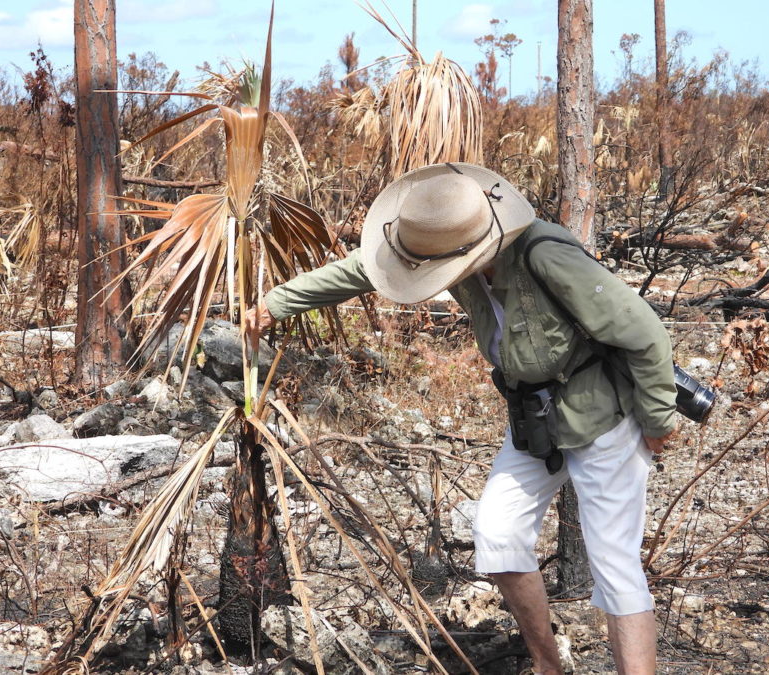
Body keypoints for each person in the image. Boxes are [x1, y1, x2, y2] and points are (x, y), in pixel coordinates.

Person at [246, 163, 677, 674]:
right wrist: (274, 305)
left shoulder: (546, 254)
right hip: (532, 420)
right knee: (497, 533)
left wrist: (656, 420)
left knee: (615, 565)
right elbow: (362, 269)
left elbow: (645, 332)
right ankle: (547, 666)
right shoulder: (446, 251)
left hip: (602, 416)